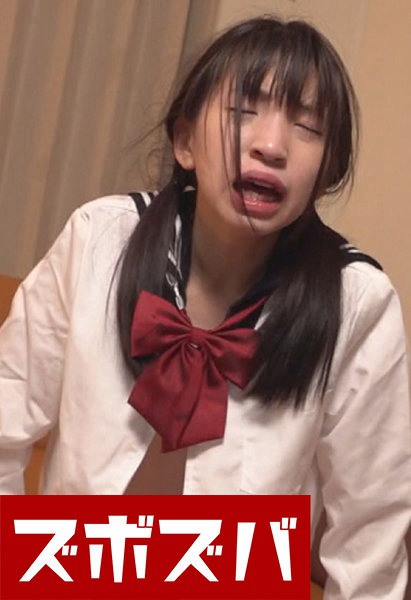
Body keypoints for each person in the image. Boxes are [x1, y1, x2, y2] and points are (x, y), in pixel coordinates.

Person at [0, 15, 410, 598]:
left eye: (307, 127)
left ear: (325, 173)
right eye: (243, 110)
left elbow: (370, 542)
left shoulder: (358, 302)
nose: (271, 145)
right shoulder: (99, 239)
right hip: (72, 577)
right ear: (185, 141)